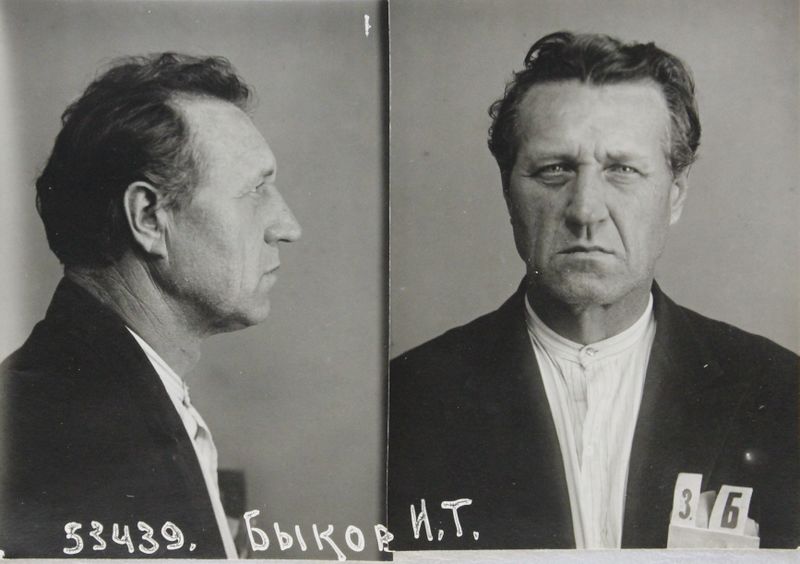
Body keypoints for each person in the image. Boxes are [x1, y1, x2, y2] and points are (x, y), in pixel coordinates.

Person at [388, 31, 798, 550]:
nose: (585, 210)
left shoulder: (783, 396)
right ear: (508, 194)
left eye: (622, 170)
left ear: (674, 195)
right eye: (554, 169)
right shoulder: (405, 403)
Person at [0, 53, 301, 558]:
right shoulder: (73, 446)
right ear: (148, 218)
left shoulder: (86, 406)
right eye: (255, 190)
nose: (288, 227)